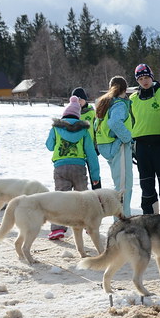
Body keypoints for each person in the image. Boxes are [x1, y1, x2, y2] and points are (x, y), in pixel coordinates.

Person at [45, 96, 101, 240]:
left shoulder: (56, 128)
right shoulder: (84, 130)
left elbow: (49, 146)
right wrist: (95, 176)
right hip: (78, 168)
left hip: (60, 168)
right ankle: (90, 225)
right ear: (77, 115)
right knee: (83, 198)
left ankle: (57, 228)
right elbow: (91, 154)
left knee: (60, 198)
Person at [130, 63, 160, 217]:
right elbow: (131, 122)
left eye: (146, 77)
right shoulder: (132, 99)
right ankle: (149, 219)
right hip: (142, 147)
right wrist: (133, 146)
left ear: (152, 77)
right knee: (146, 184)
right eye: (141, 79)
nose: (144, 81)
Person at [93, 76, 134, 217]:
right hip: (119, 146)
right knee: (124, 187)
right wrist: (128, 138)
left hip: (107, 146)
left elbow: (96, 125)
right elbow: (114, 123)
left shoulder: (104, 103)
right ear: (125, 89)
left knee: (120, 185)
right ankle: (123, 222)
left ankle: (121, 220)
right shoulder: (119, 104)